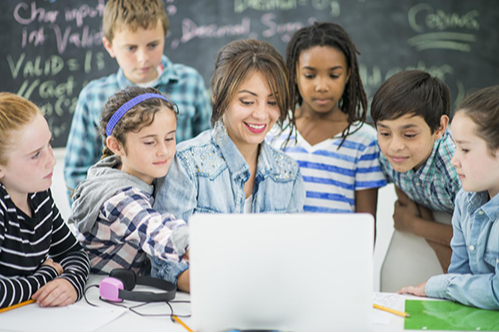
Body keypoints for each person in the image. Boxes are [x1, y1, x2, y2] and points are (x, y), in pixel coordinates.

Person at [152, 39, 306, 292]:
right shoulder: (187, 162)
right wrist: (228, 287)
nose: (261, 114)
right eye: (247, 101)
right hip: (203, 306)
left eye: (272, 102)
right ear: (219, 98)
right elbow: (164, 262)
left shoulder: (288, 173)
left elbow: (294, 255)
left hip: (270, 304)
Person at [64, 0, 211, 202]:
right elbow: (77, 173)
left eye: (153, 45)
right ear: (109, 45)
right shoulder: (93, 97)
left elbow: (207, 154)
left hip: (181, 211)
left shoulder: (190, 83)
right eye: (131, 48)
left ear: (164, 37)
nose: (143, 58)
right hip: (120, 218)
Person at [268, 22, 386, 220]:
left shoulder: (365, 141)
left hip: (339, 251)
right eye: (310, 75)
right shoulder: (274, 130)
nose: (321, 86)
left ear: (348, 74)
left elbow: (365, 225)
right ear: (295, 74)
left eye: (334, 75)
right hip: (282, 249)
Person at [69, 87, 189, 277]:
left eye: (169, 138)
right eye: (150, 142)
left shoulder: (123, 169)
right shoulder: (119, 199)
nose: (164, 151)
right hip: (94, 295)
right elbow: (153, 229)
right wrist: (200, 243)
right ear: (116, 145)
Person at [399, 86, 499, 310]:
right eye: (455, 148)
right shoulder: (465, 201)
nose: (454, 161)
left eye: (465, 149)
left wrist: (437, 286)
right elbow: (460, 274)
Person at [0, 93, 90, 309]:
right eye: (35, 155)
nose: (51, 161)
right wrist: (48, 274)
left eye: (49, 144)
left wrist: (71, 282)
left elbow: (72, 252)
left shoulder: (38, 193)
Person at [371, 70, 461, 277]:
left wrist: (415, 225)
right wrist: (419, 224)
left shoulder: (455, 166)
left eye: (409, 135)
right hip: (431, 216)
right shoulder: (382, 151)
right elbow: (399, 182)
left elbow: (476, 237)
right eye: (385, 133)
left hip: (461, 224)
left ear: (439, 128)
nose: (394, 146)